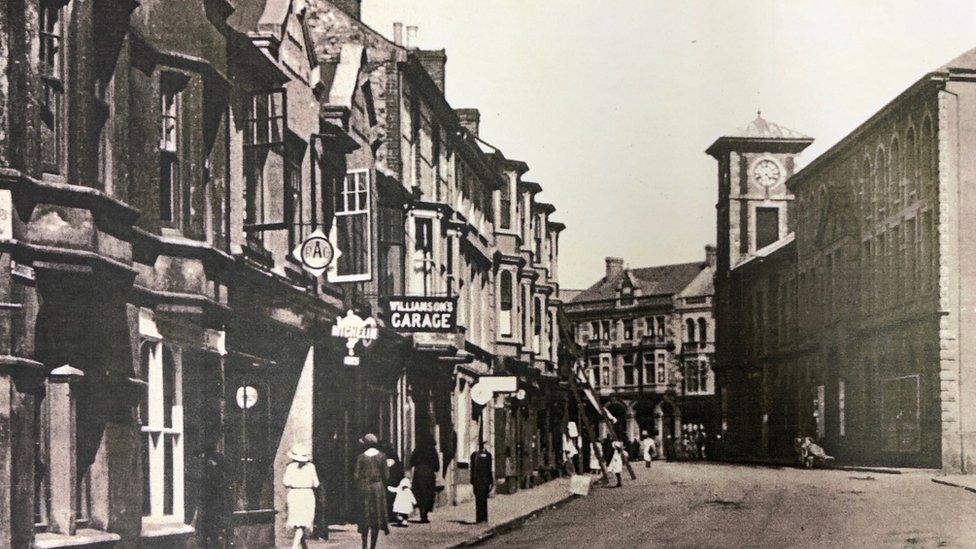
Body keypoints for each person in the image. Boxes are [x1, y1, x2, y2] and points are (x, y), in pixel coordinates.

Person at [354, 434, 389, 549]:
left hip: (364, 488)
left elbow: (356, 475)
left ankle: (364, 545)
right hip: (377, 488)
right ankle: (373, 546)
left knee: (365, 516)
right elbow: (387, 476)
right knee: (376, 517)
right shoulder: (382, 456)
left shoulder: (361, 457)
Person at [283, 443, 319, 549]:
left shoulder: (290, 467)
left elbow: (285, 482)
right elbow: (316, 483)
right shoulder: (311, 467)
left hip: (294, 494)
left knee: (297, 522)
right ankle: (294, 547)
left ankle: (302, 546)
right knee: (302, 523)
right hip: (307, 494)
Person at [409, 435, 439, 523]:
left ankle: (421, 512)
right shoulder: (432, 450)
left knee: (419, 493)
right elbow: (437, 466)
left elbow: (411, 461)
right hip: (429, 474)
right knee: (428, 494)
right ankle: (425, 514)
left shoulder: (417, 449)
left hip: (418, 473)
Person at [470, 447, 494, 523]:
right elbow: (472, 469)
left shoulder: (488, 455)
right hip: (479, 482)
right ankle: (480, 518)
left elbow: (489, 468)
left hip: (484, 482)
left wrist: (491, 481)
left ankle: (483, 518)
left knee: (483, 500)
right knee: (479, 500)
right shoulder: (474, 455)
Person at [382, 443, 404, 523]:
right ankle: (392, 514)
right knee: (393, 498)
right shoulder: (394, 455)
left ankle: (387, 514)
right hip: (394, 481)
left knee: (387, 498)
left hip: (386, 481)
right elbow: (399, 468)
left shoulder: (382, 456)